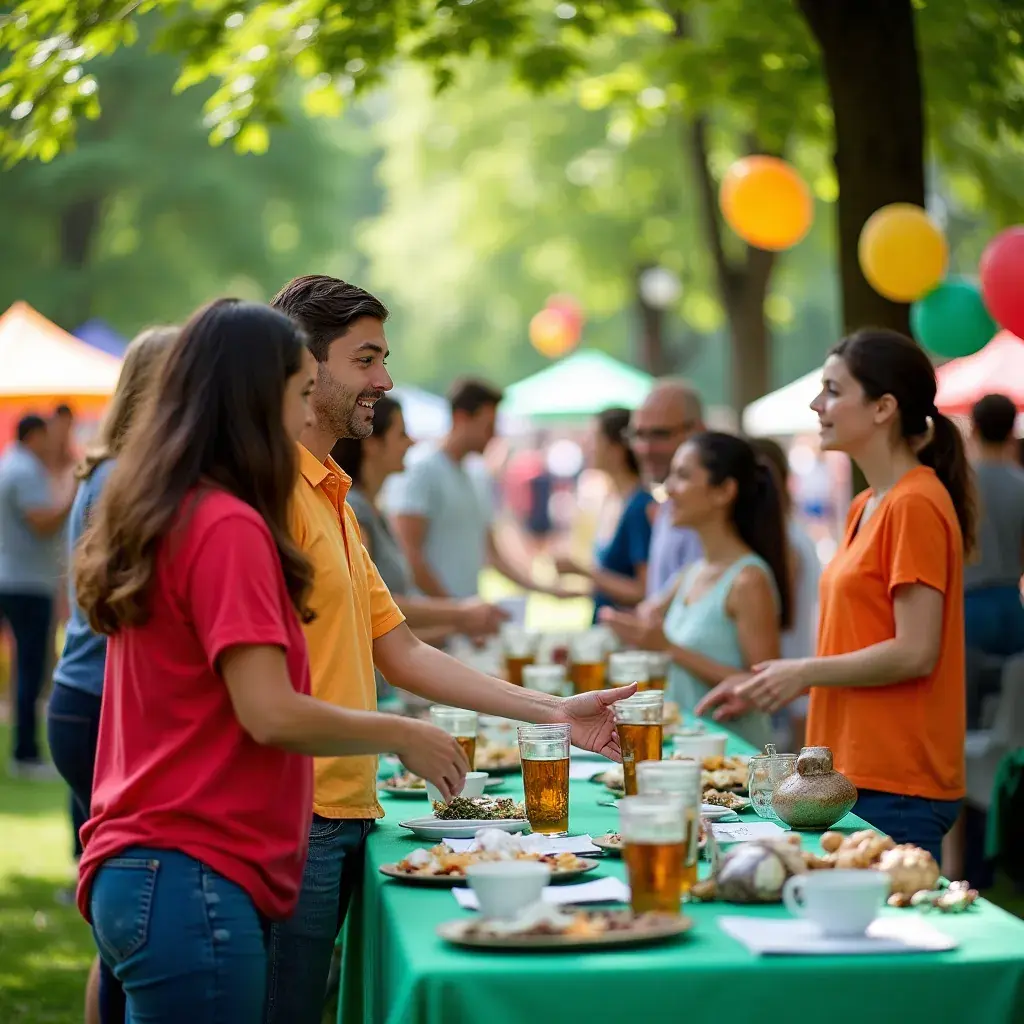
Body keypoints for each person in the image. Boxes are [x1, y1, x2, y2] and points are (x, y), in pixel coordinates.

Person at [74, 299, 470, 1024]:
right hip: (195, 869)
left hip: (142, 862)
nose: (304, 412)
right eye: (296, 392)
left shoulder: (173, 505)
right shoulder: (228, 523)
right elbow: (269, 709)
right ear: (257, 398)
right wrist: (402, 734)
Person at [268, 275, 633, 1024]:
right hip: (289, 821)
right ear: (309, 365)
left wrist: (555, 712)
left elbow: (400, 651)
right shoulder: (271, 496)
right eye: (366, 360)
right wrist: (402, 732)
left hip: (341, 817)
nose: (386, 381)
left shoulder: (331, 497)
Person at [698, 329, 973, 863]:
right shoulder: (867, 504)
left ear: (883, 408)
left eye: (833, 390)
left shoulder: (914, 504)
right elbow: (856, 638)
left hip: (898, 782)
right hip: (852, 776)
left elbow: (915, 651)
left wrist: (803, 672)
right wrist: (768, 682)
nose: (816, 403)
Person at [47, 326, 177, 1024]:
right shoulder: (127, 480)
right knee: (118, 925)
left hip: (84, 697)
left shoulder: (108, 470)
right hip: (100, 703)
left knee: (114, 923)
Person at [602, 432, 791, 749]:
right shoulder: (691, 572)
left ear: (724, 491)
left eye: (683, 476)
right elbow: (647, 621)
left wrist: (670, 648)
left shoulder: (748, 579)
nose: (669, 489)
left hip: (732, 759)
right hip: (689, 755)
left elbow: (764, 686)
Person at [331, 394, 507, 664]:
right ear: (372, 445)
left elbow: (390, 627)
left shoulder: (374, 510)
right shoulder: (355, 512)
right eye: (401, 434)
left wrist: (459, 626)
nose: (412, 442)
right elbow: (369, 606)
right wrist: (458, 614)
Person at [390, 377, 551, 600]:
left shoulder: (478, 474)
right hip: (431, 624)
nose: (494, 435)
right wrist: (455, 611)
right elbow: (409, 553)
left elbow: (491, 553)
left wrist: (543, 589)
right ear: (461, 418)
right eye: (488, 426)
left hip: (464, 622)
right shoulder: (421, 469)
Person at [0, 414, 74, 777]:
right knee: (30, 669)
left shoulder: (8, 464)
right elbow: (41, 522)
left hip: (14, 578)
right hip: (27, 583)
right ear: (34, 436)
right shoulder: (25, 469)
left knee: (27, 668)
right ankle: (25, 753)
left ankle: (24, 749)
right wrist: (75, 499)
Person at [749, 436, 822, 749]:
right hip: (787, 684)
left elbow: (773, 621)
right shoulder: (787, 535)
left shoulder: (785, 542)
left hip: (786, 689)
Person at [554, 408, 654, 619]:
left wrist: (582, 570)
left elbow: (643, 591)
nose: (587, 447)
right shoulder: (613, 500)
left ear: (616, 448)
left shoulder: (639, 507)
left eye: (593, 439)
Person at [627, 380, 706, 605]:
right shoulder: (666, 505)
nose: (645, 448)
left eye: (660, 434)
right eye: (638, 435)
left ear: (697, 430)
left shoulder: (716, 510)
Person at [964, 393, 1024, 657]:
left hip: (969, 602)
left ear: (974, 428)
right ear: (1012, 430)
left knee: (969, 693)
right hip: (1011, 600)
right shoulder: (1020, 484)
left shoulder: (960, 486)